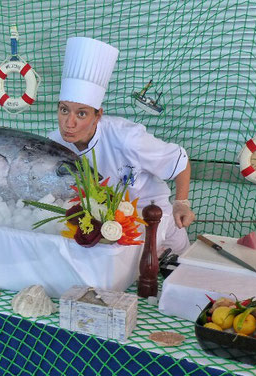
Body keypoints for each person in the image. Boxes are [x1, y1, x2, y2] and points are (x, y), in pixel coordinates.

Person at [48, 37, 195, 254]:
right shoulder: (53, 145)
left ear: (98, 115)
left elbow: (179, 161)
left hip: (155, 225)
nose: (69, 123)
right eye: (64, 110)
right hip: (103, 232)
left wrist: (182, 202)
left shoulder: (127, 138)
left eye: (81, 114)